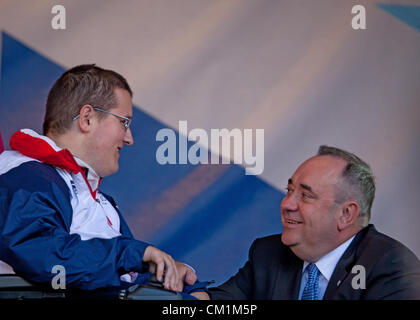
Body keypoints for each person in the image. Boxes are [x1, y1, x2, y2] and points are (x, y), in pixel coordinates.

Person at [0, 64, 197, 292]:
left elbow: (125, 277)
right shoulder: (26, 174)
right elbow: (41, 254)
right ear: (87, 118)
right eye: (124, 122)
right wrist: (130, 253)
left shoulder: (99, 200)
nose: (130, 138)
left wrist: (173, 278)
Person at [192, 146, 420, 300]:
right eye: (289, 190)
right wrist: (178, 281)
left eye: (306, 196)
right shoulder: (268, 254)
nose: (287, 204)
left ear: (346, 214)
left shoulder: (392, 268)